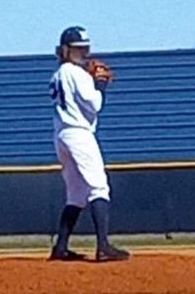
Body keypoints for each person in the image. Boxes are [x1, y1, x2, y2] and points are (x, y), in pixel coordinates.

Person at [48, 26, 130, 262]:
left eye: (85, 48)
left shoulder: (57, 75)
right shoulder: (76, 73)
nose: (83, 52)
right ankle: (103, 246)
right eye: (77, 49)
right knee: (99, 187)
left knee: (76, 194)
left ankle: (61, 247)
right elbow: (95, 105)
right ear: (65, 50)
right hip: (79, 134)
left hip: (61, 135)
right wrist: (101, 85)